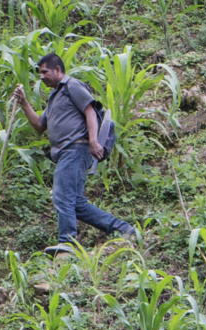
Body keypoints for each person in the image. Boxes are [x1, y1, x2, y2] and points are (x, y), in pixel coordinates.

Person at [13, 52, 135, 250]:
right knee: (75, 203)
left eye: (45, 72)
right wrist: (24, 103)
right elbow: (38, 125)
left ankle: (67, 241)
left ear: (58, 70)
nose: (41, 77)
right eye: (39, 73)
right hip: (65, 153)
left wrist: (94, 141)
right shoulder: (54, 97)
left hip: (76, 148)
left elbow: (90, 111)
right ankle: (123, 229)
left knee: (62, 197)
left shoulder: (72, 86)